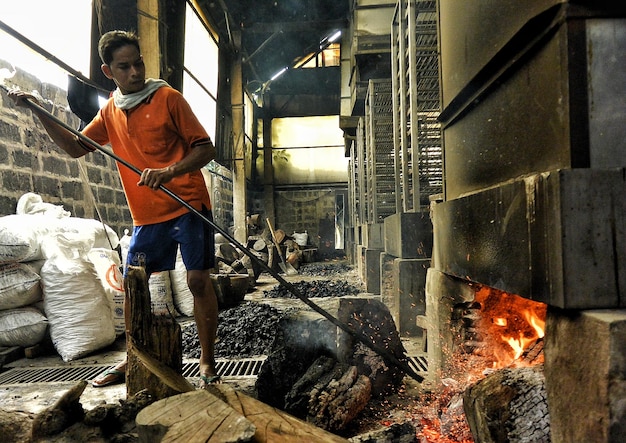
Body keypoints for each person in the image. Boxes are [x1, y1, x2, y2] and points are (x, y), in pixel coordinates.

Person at [8, 30, 220, 387]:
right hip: (148, 216)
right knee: (133, 286)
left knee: (197, 280)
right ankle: (132, 358)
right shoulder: (109, 111)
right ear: (109, 72)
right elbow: (76, 147)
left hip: (187, 202)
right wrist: (38, 109)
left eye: (139, 63)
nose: (135, 72)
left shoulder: (168, 98)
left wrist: (169, 171)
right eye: (125, 67)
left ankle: (207, 362)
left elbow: (206, 149)